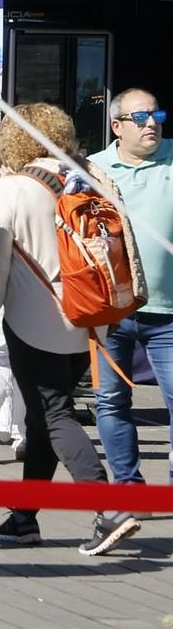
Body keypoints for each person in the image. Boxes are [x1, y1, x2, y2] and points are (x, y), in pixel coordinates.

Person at [0, 103, 142, 556]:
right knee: (43, 417)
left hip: (35, 320)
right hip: (89, 317)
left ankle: (109, 507)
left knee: (53, 414)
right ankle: (24, 518)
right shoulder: (89, 177)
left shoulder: (10, 188)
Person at [90, 88, 173, 486]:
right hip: (112, 311)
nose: (151, 123)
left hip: (168, 313)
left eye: (157, 115)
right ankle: (127, 487)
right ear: (117, 126)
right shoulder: (92, 170)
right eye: (140, 118)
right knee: (110, 400)